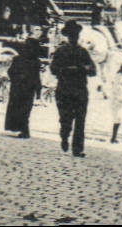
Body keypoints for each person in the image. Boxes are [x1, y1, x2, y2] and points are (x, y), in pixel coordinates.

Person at [50, 19, 96, 156]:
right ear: (69, 36)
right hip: (65, 90)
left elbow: (93, 70)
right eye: (72, 35)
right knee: (66, 119)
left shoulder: (83, 52)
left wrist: (83, 68)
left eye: (76, 35)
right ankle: (64, 135)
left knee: (80, 121)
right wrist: (68, 70)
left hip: (80, 90)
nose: (74, 38)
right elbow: (53, 69)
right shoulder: (61, 51)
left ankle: (78, 149)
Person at [4, 35, 44, 138]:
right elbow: (37, 78)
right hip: (26, 89)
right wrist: (38, 92)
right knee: (24, 110)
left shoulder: (18, 59)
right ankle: (23, 130)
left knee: (20, 109)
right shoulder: (35, 61)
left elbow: (10, 72)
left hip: (19, 88)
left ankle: (24, 131)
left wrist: (16, 79)